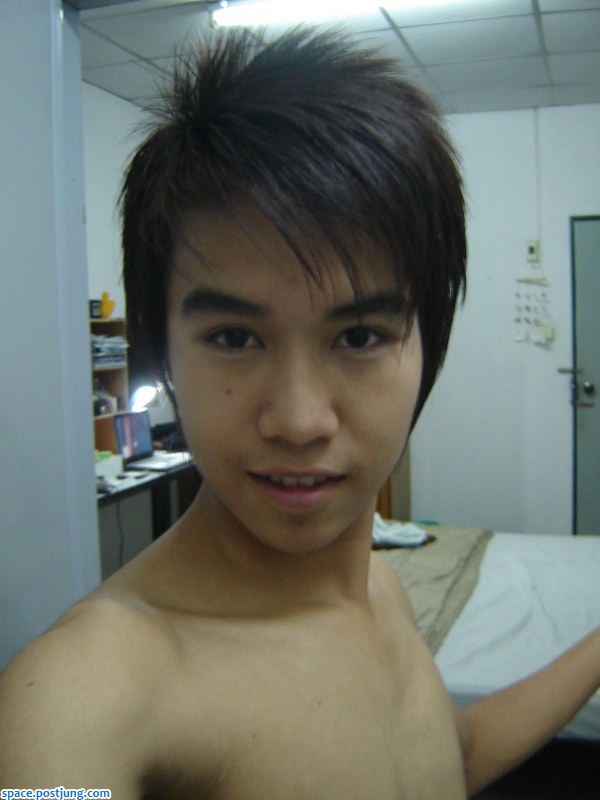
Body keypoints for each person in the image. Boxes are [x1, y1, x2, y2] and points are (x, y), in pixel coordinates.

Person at [1, 27, 598, 800]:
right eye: (234, 337)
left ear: (429, 343)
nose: (300, 420)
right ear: (162, 348)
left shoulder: (378, 589)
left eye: (359, 336)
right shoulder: (87, 693)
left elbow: (446, 756)